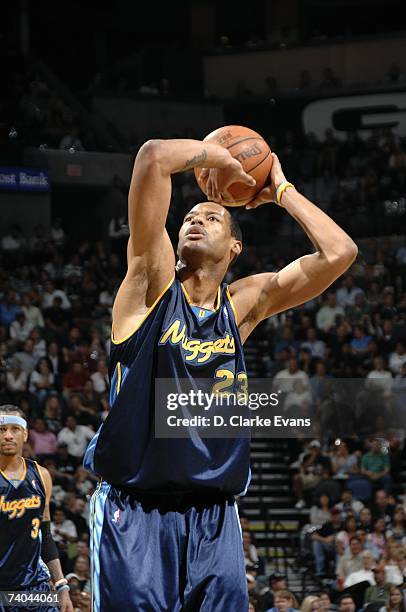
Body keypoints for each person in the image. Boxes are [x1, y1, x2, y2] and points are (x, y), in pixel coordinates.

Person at [83, 137, 357, 610]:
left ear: (235, 246)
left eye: (211, 217)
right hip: (136, 508)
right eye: (189, 216)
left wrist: (281, 189)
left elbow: (340, 252)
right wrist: (217, 157)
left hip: (214, 514)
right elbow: (152, 157)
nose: (194, 220)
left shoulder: (243, 307)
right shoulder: (149, 282)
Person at [0, 404, 73, 612]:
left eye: (14, 429)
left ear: (25, 434)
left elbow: (46, 534)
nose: (7, 436)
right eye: (1, 430)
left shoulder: (41, 475)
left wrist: (61, 585)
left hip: (35, 587)